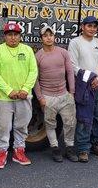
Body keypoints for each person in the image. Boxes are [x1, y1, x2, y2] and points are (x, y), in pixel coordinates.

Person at [0, 21, 38, 169]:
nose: (13, 38)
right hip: (4, 98)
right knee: (4, 127)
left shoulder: (28, 50)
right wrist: (9, 90)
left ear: (20, 36)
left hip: (24, 96)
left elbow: (33, 71)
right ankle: (1, 153)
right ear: (5, 36)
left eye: (16, 34)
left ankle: (19, 152)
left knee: (21, 126)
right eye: (9, 34)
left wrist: (25, 89)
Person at [33, 26, 77, 162]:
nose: (48, 37)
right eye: (45, 35)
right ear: (41, 39)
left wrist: (72, 92)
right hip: (48, 97)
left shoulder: (63, 53)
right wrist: (40, 98)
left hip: (65, 95)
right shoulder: (38, 56)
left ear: (54, 37)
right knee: (50, 124)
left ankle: (69, 148)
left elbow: (70, 72)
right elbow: (35, 79)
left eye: (51, 35)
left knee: (70, 123)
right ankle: (55, 148)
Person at [68, 16, 98, 162]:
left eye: (95, 26)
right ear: (82, 27)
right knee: (84, 116)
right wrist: (89, 78)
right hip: (83, 84)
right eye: (89, 26)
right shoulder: (75, 43)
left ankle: (96, 144)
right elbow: (73, 66)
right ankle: (83, 148)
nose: (92, 29)